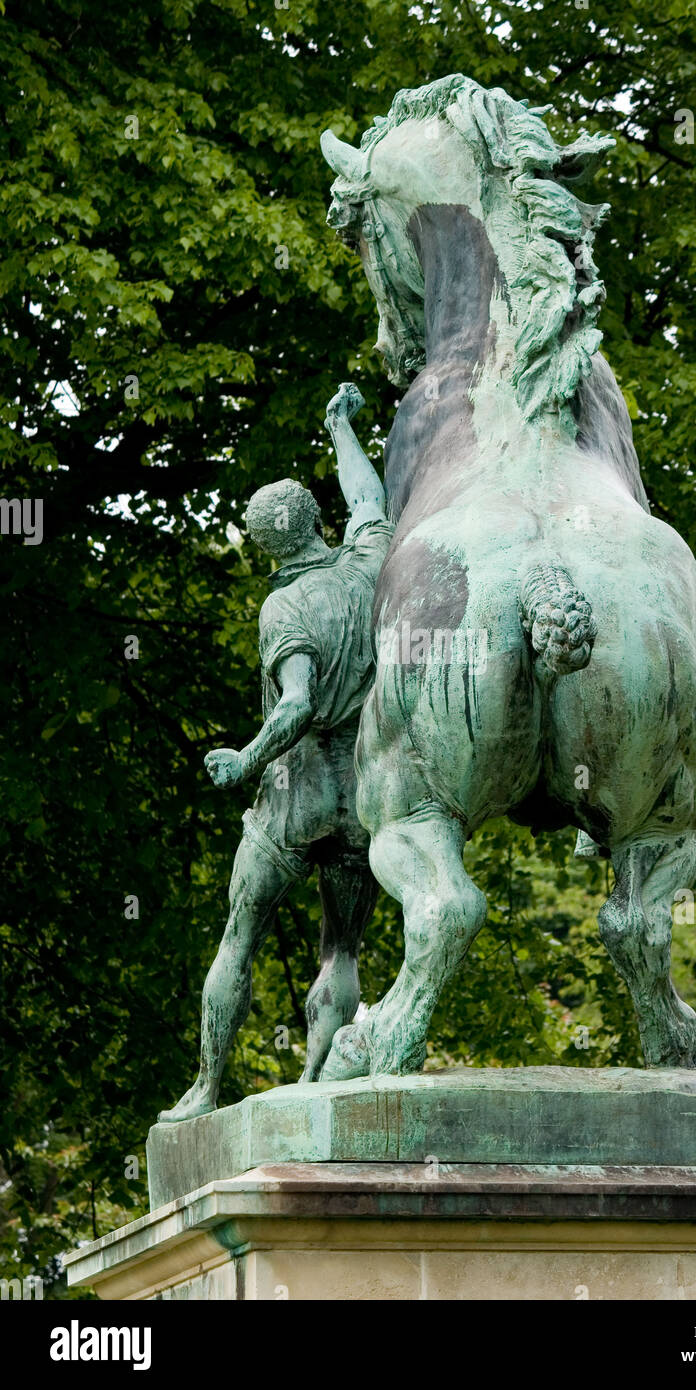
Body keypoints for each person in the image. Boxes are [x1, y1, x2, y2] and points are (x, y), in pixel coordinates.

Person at [159, 383, 393, 1121]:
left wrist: (246, 759)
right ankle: (318, 1082)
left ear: (265, 546)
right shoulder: (368, 563)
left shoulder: (284, 607)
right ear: (316, 521)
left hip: (294, 797)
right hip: (362, 796)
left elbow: (295, 704)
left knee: (240, 937)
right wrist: (339, 425)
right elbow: (368, 495)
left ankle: (205, 1088)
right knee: (341, 951)